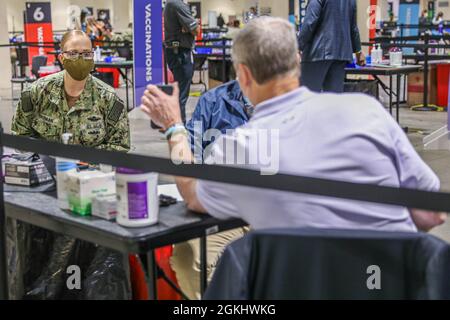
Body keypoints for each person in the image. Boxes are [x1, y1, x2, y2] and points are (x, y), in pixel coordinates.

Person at [141, 17, 447, 297]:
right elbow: (431, 214)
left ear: (243, 75)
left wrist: (173, 127)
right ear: (298, 61)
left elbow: (191, 192)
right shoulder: (366, 111)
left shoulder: (243, 145)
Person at [12, 30, 130, 151]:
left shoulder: (108, 98)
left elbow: (120, 145)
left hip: (90, 169)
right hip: (46, 167)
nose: (80, 59)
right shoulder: (36, 92)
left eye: (86, 53)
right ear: (62, 58)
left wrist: (85, 162)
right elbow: (20, 136)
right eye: (73, 53)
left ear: (92, 57)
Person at [299, 0, 365, 93]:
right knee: (334, 101)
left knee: (307, 97)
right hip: (341, 55)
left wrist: (297, 46)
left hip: (317, 54)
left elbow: (310, 22)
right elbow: (353, 27)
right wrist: (358, 51)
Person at [164, 0, 200, 124]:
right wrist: (191, 26)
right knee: (182, 92)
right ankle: (179, 125)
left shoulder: (170, 4)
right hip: (180, 52)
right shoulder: (178, 5)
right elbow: (196, 30)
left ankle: (177, 123)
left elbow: (191, 28)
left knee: (180, 90)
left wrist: (187, 27)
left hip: (176, 51)